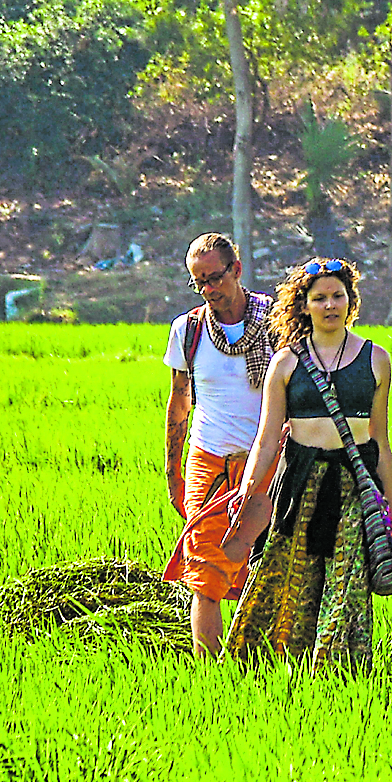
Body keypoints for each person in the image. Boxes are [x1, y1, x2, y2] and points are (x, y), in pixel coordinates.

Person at [223, 259, 392, 670]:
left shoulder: (376, 360)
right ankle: (268, 666)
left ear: (351, 301)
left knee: (346, 586)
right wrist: (247, 489)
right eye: (319, 298)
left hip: (354, 489)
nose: (330, 305)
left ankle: (334, 672)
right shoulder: (286, 362)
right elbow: (268, 436)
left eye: (338, 296)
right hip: (300, 486)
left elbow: (380, 440)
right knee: (287, 578)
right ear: (303, 305)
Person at [162, 232, 274, 656]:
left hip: (266, 463)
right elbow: (178, 404)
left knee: (265, 568)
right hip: (207, 462)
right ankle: (210, 672)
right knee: (205, 573)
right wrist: (173, 474)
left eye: (214, 278)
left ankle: (257, 661)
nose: (209, 290)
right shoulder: (187, 330)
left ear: (237, 271)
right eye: (199, 282)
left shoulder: (276, 322)